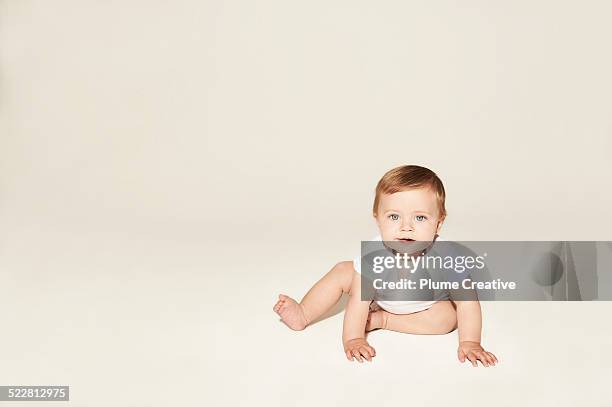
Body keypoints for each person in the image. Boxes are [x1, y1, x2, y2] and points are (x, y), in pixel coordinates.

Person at [272, 165, 498, 367]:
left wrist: (471, 342)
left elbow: (468, 303)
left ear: (438, 222)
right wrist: (354, 338)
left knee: (449, 318)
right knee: (343, 270)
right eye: (393, 217)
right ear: (377, 218)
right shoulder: (373, 254)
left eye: (420, 218)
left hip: (421, 306)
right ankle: (304, 312)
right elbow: (359, 300)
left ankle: (382, 320)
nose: (406, 227)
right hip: (377, 295)